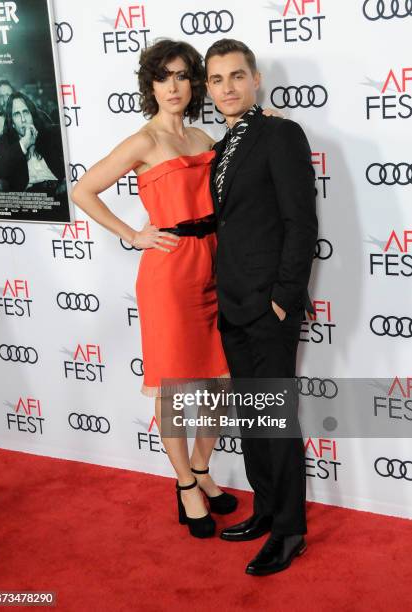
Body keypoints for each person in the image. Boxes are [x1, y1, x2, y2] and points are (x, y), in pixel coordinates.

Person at [71, 39, 240, 540]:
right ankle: (185, 483)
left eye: (184, 76)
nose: (174, 86)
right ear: (150, 84)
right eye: (164, 76)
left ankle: (204, 469)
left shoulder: (205, 137)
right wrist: (132, 233)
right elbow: (82, 190)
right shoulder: (143, 141)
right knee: (176, 389)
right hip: (169, 276)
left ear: (193, 85)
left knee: (219, 381)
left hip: (215, 265)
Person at [205, 39, 318, 574]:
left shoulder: (281, 133)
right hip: (231, 304)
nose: (227, 87)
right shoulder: (222, 148)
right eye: (217, 79)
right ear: (209, 88)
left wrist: (282, 299)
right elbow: (230, 220)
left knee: (277, 421)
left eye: (236, 76)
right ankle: (266, 510)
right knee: (253, 419)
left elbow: (302, 224)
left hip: (269, 306)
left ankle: (291, 530)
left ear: (256, 80)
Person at [0, 92, 66, 197]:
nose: (23, 119)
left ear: (32, 115)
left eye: (25, 112)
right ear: (12, 123)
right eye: (17, 114)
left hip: (59, 191)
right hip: (32, 196)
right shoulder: (6, 140)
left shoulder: (49, 133)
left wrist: (67, 180)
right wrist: (24, 143)